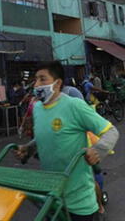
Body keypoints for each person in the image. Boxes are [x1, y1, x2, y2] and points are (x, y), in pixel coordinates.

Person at [15, 61, 119, 221]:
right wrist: (29, 149)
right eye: (36, 79)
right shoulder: (37, 109)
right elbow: (47, 136)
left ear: (57, 83)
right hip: (52, 198)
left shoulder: (74, 105)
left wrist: (98, 150)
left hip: (79, 204)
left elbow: (111, 132)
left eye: (43, 79)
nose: (36, 84)